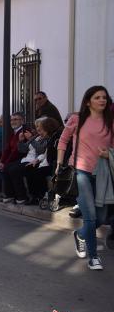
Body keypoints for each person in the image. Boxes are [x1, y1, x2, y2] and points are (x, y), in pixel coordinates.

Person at [57, 86, 114, 270]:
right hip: (81, 171)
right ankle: (94, 257)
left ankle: (80, 234)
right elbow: (63, 140)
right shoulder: (77, 119)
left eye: (104, 97)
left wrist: (108, 154)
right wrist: (59, 163)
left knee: (102, 216)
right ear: (88, 101)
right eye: (97, 97)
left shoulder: (110, 121)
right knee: (89, 216)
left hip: (103, 173)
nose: (102, 100)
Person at [0, 113, 32, 203]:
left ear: (22, 121)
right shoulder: (14, 132)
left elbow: (18, 151)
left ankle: (21, 196)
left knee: (11, 168)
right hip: (15, 158)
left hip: (24, 158)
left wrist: (6, 163)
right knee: (3, 167)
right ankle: (9, 194)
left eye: (16, 119)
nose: (13, 121)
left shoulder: (24, 132)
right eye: (12, 120)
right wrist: (2, 161)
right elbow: (8, 149)